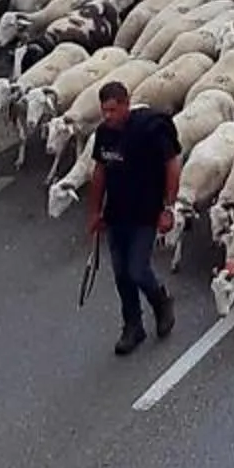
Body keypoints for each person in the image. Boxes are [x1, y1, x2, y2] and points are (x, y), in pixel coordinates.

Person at [87, 78, 180, 356]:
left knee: (137, 269)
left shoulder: (151, 129)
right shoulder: (104, 134)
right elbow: (100, 172)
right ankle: (132, 326)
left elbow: (172, 164)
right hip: (117, 214)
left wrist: (167, 207)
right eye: (104, 110)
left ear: (127, 104)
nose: (108, 116)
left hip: (145, 213)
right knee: (121, 274)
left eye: (113, 110)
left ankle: (161, 302)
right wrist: (94, 212)